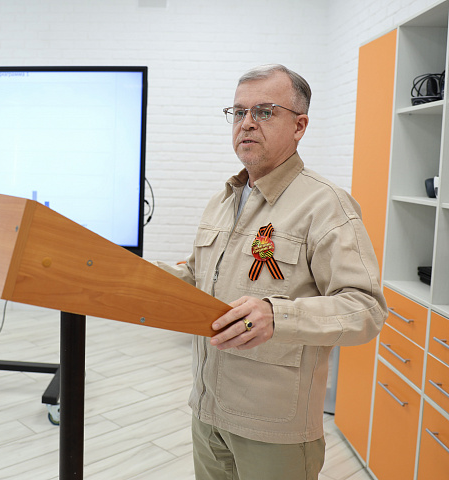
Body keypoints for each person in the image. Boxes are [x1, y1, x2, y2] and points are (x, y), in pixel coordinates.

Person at [154, 64, 388, 480]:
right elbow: (197, 277)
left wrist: (278, 315)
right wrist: (131, 275)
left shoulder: (326, 205)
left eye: (264, 112)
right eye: (238, 111)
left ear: (299, 126)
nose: (246, 123)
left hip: (274, 431)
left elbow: (366, 309)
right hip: (207, 415)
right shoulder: (223, 200)